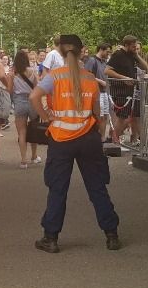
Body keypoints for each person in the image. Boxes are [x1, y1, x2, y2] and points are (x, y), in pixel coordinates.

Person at [29, 34, 121, 253]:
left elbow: (34, 97)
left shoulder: (55, 76)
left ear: (60, 52)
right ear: (82, 51)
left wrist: (47, 116)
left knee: (58, 189)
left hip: (61, 140)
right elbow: (97, 113)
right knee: (97, 187)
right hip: (88, 138)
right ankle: (111, 235)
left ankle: (50, 238)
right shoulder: (89, 78)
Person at [105, 36, 144, 147]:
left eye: (136, 46)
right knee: (122, 118)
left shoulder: (132, 55)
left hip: (131, 91)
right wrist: (124, 78)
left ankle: (119, 140)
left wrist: (136, 54)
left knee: (131, 117)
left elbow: (145, 66)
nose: (135, 48)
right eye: (133, 46)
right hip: (120, 91)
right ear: (126, 45)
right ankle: (115, 142)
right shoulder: (118, 55)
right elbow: (107, 71)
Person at [9, 49, 41, 168]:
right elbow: (38, 87)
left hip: (19, 102)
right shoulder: (32, 71)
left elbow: (10, 90)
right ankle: (34, 156)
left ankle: (23, 160)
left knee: (22, 132)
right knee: (33, 129)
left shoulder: (13, 74)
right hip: (32, 101)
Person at [84, 43, 112, 140]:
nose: (108, 54)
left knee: (104, 116)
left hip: (104, 93)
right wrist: (100, 81)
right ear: (101, 50)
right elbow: (87, 75)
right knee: (98, 116)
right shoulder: (92, 60)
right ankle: (95, 138)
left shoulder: (104, 62)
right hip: (96, 93)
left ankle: (102, 139)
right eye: (107, 51)